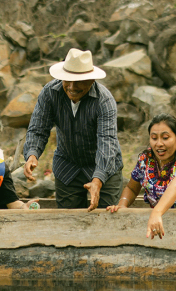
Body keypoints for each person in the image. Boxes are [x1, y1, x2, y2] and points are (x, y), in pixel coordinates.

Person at [23, 48, 124, 210]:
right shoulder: (50, 93)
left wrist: (97, 180)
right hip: (67, 164)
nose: (71, 87)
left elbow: (107, 142)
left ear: (91, 80)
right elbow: (38, 128)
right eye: (67, 80)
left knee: (106, 217)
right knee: (69, 220)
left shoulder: (104, 101)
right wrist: (32, 154)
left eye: (78, 82)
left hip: (103, 167)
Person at [108, 114, 176, 239]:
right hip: (158, 227)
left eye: (165, 138)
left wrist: (156, 212)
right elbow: (131, 188)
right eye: (154, 138)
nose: (159, 144)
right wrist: (122, 205)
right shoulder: (145, 159)